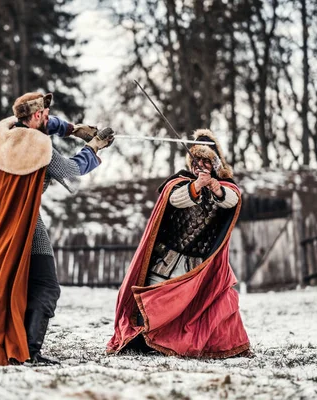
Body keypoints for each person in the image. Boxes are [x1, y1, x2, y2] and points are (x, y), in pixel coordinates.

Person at [0, 92, 114, 366]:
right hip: (24, 222)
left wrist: (72, 129)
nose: (47, 119)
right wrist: (93, 148)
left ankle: (20, 341)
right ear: (35, 116)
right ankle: (29, 351)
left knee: (18, 283)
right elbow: (69, 170)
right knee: (46, 286)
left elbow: (45, 123)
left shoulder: (3, 131)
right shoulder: (36, 145)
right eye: (43, 115)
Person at [107, 129, 251, 359]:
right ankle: (145, 338)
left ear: (215, 163)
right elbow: (175, 198)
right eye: (197, 160)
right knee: (157, 296)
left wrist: (213, 186)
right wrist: (196, 186)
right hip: (169, 255)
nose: (200, 165)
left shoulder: (224, 186)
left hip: (198, 261)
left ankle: (185, 343)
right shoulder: (179, 182)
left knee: (201, 303)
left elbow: (232, 200)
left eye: (206, 161)